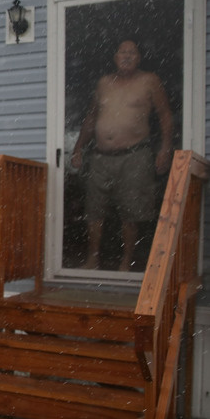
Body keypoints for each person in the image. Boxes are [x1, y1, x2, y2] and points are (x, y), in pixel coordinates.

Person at [71, 40, 173, 271]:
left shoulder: (150, 81)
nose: (127, 56)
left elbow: (166, 115)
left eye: (132, 52)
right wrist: (78, 147)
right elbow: (90, 118)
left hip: (135, 155)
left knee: (132, 211)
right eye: (122, 52)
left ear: (139, 57)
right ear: (115, 57)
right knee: (94, 211)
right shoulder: (104, 83)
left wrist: (165, 148)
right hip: (100, 157)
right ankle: (93, 258)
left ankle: (126, 261)